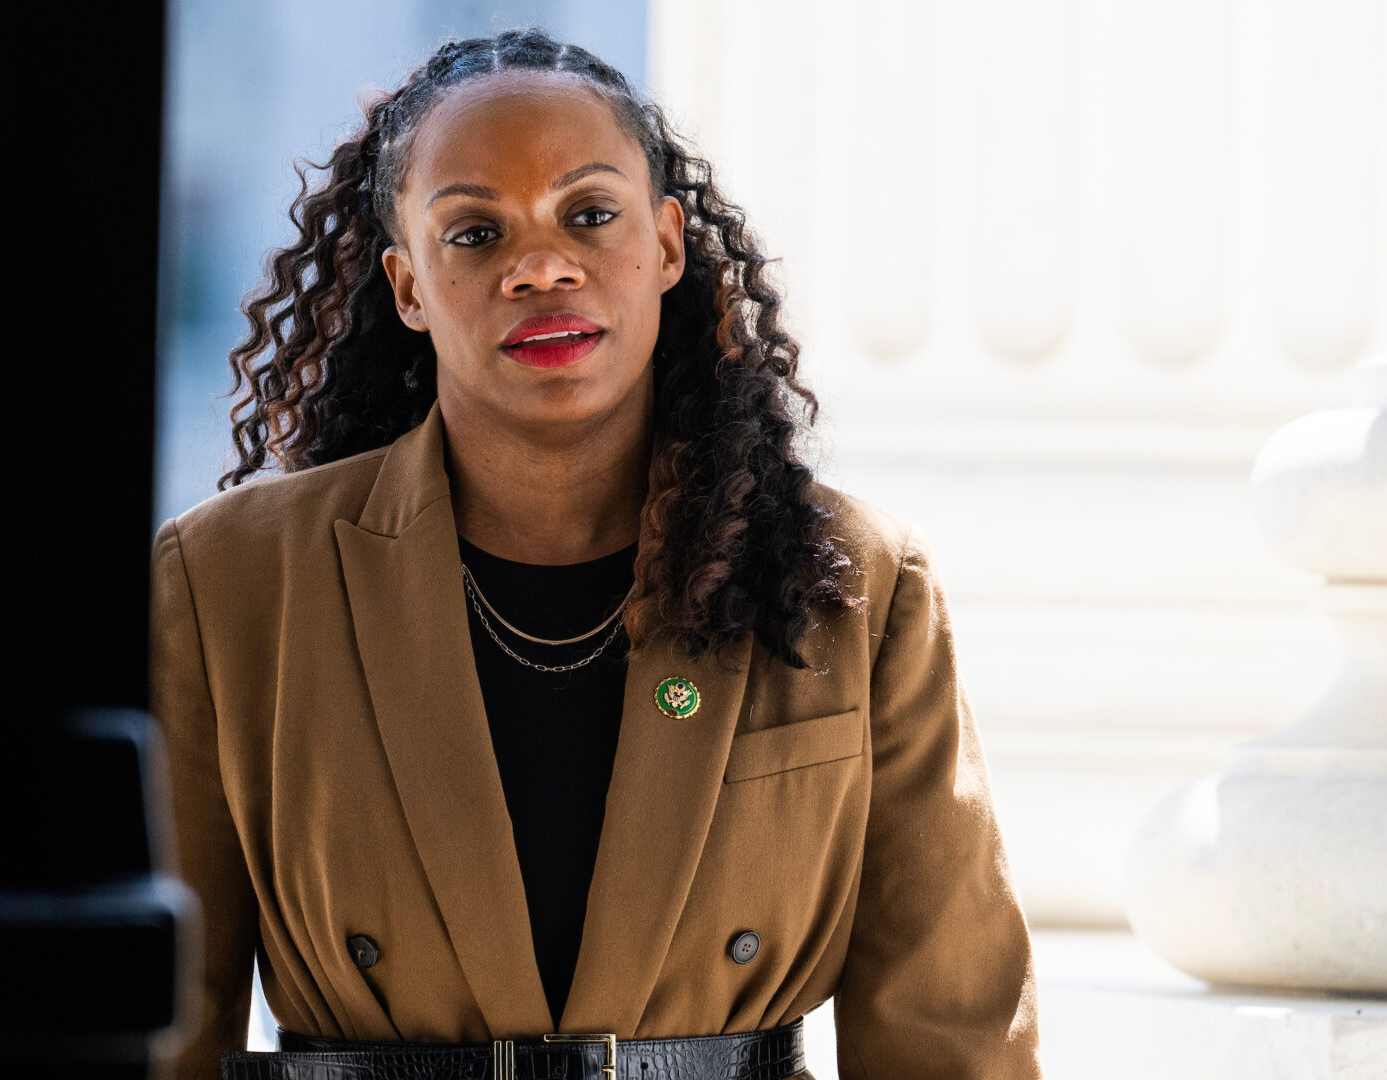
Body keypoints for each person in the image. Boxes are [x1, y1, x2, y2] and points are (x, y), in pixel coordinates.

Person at [149, 26, 1041, 1080]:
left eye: (590, 214)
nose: (541, 264)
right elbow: (164, 1017)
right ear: (407, 287)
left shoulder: (851, 581)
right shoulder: (233, 583)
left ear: (665, 246)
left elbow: (950, 1034)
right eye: (474, 234)